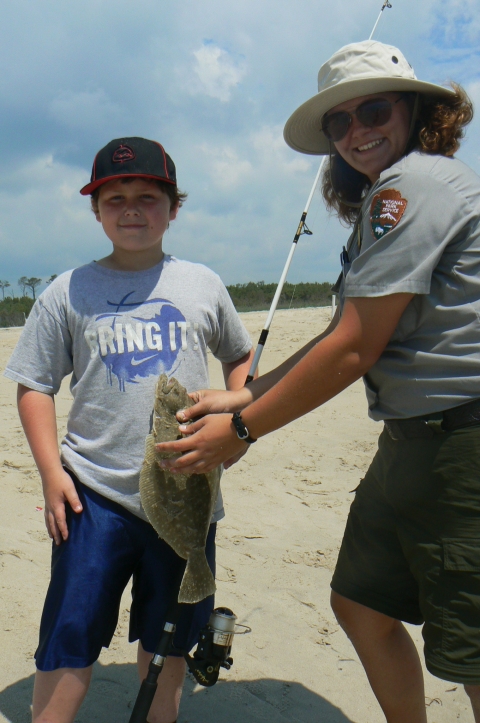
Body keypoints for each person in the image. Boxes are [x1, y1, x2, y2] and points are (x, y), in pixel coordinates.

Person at [154, 41, 480, 722]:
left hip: (462, 443)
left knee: (472, 647)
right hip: (409, 442)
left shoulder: (410, 187)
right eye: (340, 121)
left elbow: (355, 347)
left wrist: (241, 428)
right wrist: (246, 390)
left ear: (415, 110)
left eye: (375, 109)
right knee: (361, 601)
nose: (358, 130)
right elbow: (348, 334)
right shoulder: (391, 196)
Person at [4, 136, 254, 723]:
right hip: (92, 495)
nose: (133, 210)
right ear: (96, 211)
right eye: (115, 199)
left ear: (174, 207)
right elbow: (34, 386)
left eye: (148, 196)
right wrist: (49, 475)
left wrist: (239, 424)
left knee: (167, 639)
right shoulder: (68, 291)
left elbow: (241, 360)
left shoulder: (202, 285)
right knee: (70, 633)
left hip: (186, 490)